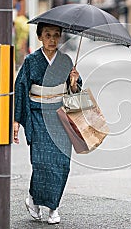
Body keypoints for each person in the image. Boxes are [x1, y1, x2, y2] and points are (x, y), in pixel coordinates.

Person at [13, 22, 82, 224]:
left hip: (60, 117)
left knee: (61, 164)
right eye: (48, 35)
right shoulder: (31, 61)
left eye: (56, 35)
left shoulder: (66, 61)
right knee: (41, 162)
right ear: (40, 37)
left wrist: (73, 82)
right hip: (38, 115)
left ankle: (53, 207)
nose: (52, 39)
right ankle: (34, 199)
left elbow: (75, 93)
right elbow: (20, 89)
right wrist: (16, 120)